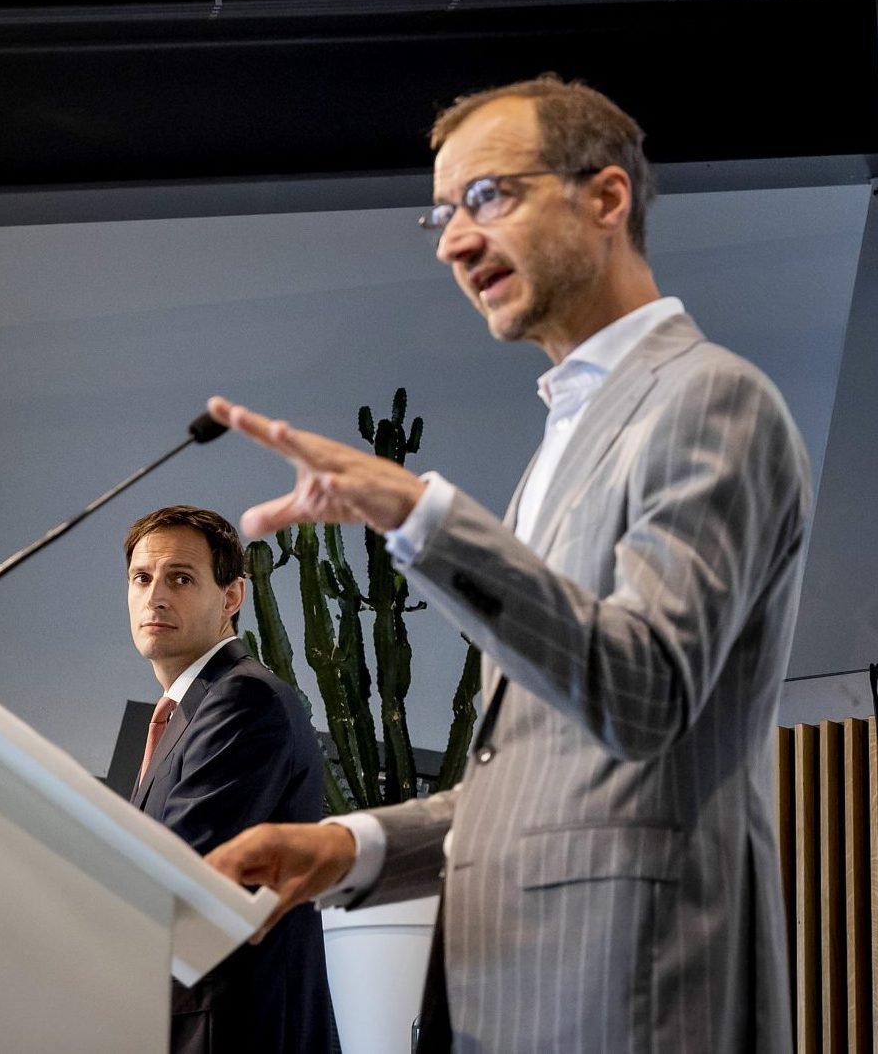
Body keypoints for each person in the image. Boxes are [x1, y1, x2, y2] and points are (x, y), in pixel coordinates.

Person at [203, 76, 811, 1054]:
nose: (452, 240)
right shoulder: (561, 447)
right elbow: (535, 780)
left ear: (605, 198)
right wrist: (344, 847)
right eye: (441, 213)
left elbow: (642, 693)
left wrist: (424, 516)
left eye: (488, 196)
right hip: (520, 1000)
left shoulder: (706, 401)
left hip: (631, 998)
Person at [122, 505, 338, 1054]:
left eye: (181, 578)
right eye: (141, 579)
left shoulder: (243, 699)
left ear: (232, 597)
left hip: (237, 1032)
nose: (156, 596)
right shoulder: (188, 711)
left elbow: (181, 872)